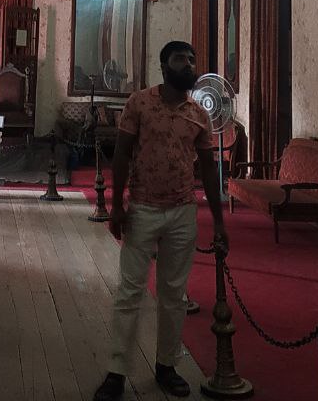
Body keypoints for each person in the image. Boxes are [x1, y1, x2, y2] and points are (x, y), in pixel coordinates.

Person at [92, 41, 227, 401]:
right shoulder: (140, 103)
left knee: (173, 295)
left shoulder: (199, 113)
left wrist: (218, 221)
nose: (189, 64)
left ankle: (167, 366)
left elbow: (209, 171)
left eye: (192, 60)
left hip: (183, 212)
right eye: (181, 59)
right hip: (143, 209)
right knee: (130, 291)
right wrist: (117, 205)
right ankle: (117, 372)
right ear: (164, 66)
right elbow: (122, 153)